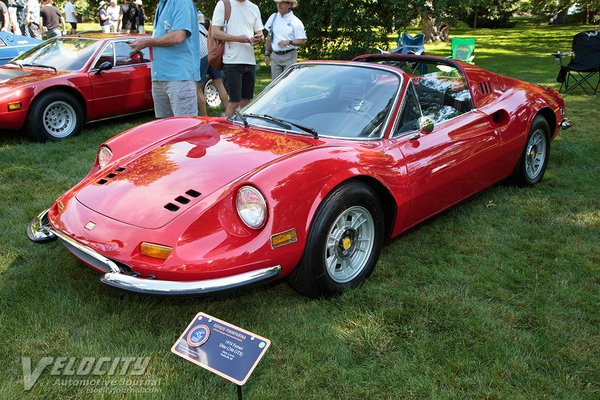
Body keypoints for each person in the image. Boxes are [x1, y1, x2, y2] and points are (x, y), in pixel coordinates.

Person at [129, 0, 200, 118]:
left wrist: (147, 42)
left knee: (185, 129)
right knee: (165, 129)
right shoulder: (162, 4)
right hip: (159, 76)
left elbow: (178, 36)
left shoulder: (182, 2)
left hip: (179, 77)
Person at [211, 0, 264, 117]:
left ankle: (242, 132)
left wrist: (259, 38)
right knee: (234, 103)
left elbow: (260, 33)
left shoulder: (254, 8)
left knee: (247, 102)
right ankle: (225, 130)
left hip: (249, 61)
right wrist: (238, 39)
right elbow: (215, 33)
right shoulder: (224, 4)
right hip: (232, 62)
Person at [196, 11, 229, 116]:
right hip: (210, 51)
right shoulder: (199, 13)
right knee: (219, 84)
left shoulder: (186, 11)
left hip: (200, 53)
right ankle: (229, 113)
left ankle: (204, 117)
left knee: (198, 88)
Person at [263, 0, 306, 79]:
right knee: (275, 85)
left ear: (289, 5)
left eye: (282, 3)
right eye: (277, 3)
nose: (279, 5)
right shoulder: (273, 17)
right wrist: (266, 54)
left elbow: (302, 41)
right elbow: (269, 36)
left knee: (288, 85)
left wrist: (289, 42)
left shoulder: (296, 21)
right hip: (275, 56)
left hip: (290, 56)